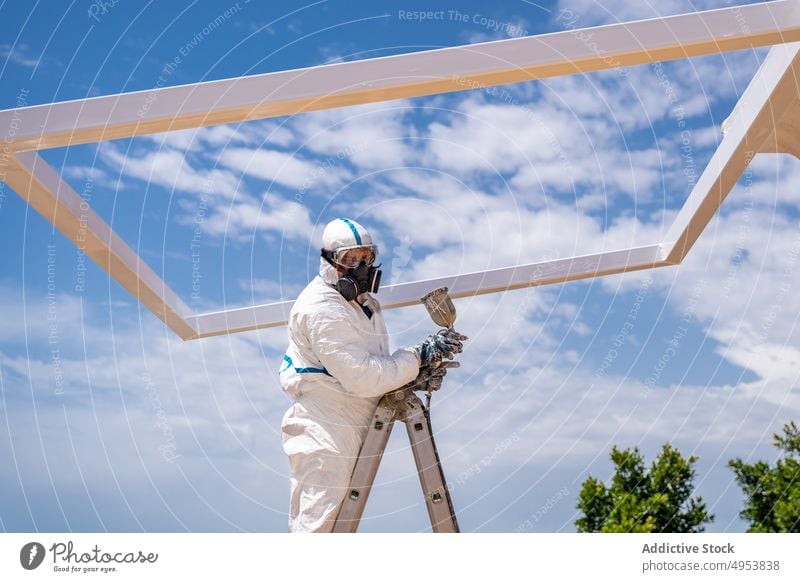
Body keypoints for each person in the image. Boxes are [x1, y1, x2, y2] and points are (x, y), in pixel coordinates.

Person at [279, 217, 466, 533]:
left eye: (366, 257)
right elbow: (364, 378)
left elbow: (376, 367)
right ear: (329, 262)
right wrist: (417, 356)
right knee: (319, 528)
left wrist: (413, 375)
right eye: (351, 259)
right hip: (325, 427)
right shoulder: (321, 308)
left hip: (352, 418)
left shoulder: (362, 304)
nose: (362, 267)